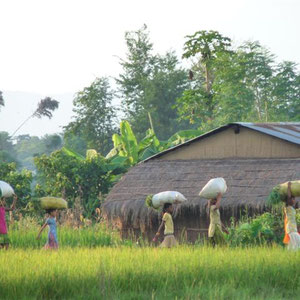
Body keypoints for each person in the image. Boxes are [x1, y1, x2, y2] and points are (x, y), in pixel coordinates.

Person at [283, 182, 300, 251]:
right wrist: (289, 187)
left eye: (294, 199)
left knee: (292, 245)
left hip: (293, 228)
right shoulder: (287, 208)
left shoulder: (291, 208)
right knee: (297, 242)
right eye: (292, 199)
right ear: (288, 201)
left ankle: (289, 257)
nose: (293, 200)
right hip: (291, 228)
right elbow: (288, 197)